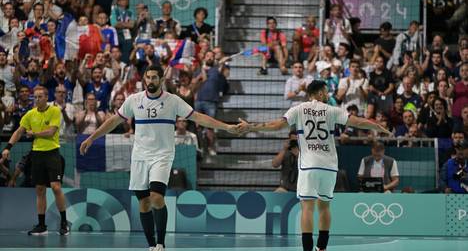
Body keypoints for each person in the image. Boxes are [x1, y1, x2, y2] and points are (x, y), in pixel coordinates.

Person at [79, 65, 239, 251]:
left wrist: (226, 127)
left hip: (162, 155)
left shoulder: (172, 101)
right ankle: (151, 244)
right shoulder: (134, 100)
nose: (151, 81)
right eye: (148, 77)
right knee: (143, 202)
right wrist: (91, 138)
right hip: (140, 156)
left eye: (155, 77)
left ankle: (161, 243)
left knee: (156, 196)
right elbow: (114, 120)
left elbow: (199, 117)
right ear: (144, 79)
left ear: (161, 80)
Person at [237, 80, 391, 251]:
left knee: (307, 208)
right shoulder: (332, 110)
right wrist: (379, 128)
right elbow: (358, 122)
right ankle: (322, 248)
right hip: (329, 166)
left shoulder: (298, 109)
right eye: (325, 92)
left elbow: (276, 126)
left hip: (309, 165)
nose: (327, 95)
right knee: (324, 206)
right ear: (318, 93)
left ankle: (308, 249)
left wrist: (250, 126)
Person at [1, 86, 69, 235]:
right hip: (37, 154)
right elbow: (19, 132)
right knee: (39, 189)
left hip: (52, 154)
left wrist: (34, 133)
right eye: (35, 97)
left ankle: (64, 223)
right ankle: (41, 225)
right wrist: (8, 147)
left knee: (56, 187)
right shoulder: (30, 114)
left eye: (40, 97)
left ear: (46, 97)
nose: (37, 99)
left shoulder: (54, 111)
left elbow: (51, 131)